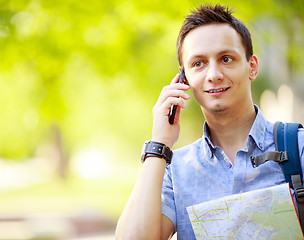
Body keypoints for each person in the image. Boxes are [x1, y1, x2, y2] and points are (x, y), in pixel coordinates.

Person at [115, 4, 304, 240]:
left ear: (252, 67)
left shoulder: (298, 146)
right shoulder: (175, 170)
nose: (213, 75)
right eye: (198, 63)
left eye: (226, 59)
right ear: (183, 78)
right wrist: (159, 144)